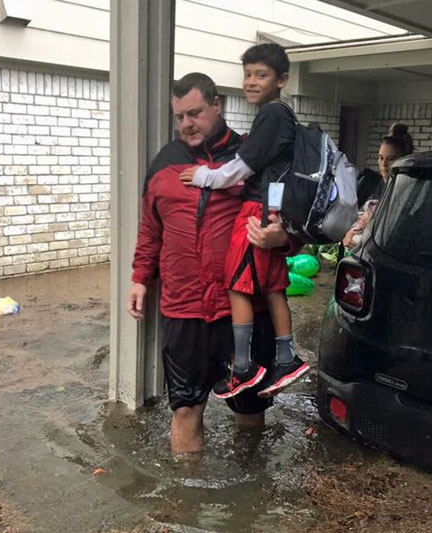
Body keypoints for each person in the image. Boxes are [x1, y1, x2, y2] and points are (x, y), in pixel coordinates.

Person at [128, 72, 296, 454]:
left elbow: (291, 214)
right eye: (180, 116)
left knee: (251, 406)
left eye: (195, 113)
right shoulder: (164, 164)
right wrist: (140, 277)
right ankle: (185, 500)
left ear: (217, 105)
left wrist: (284, 238)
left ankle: (248, 493)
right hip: (184, 308)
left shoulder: (252, 155)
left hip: (243, 308)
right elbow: (151, 229)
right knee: (186, 407)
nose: (186, 124)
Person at [179, 43, 308, 400]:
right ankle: (285, 357)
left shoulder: (272, 115)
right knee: (272, 288)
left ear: (281, 80)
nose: (251, 82)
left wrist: (205, 175)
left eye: (261, 75)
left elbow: (242, 168)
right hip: (274, 209)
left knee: (237, 287)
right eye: (247, 74)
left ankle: (245, 368)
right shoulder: (284, 115)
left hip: (255, 210)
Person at [344, 123, 414, 250]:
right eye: (381, 158)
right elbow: (354, 219)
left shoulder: (413, 191)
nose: (384, 164)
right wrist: (350, 233)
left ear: (404, 159)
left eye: (391, 159)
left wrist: (372, 223)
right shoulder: (372, 185)